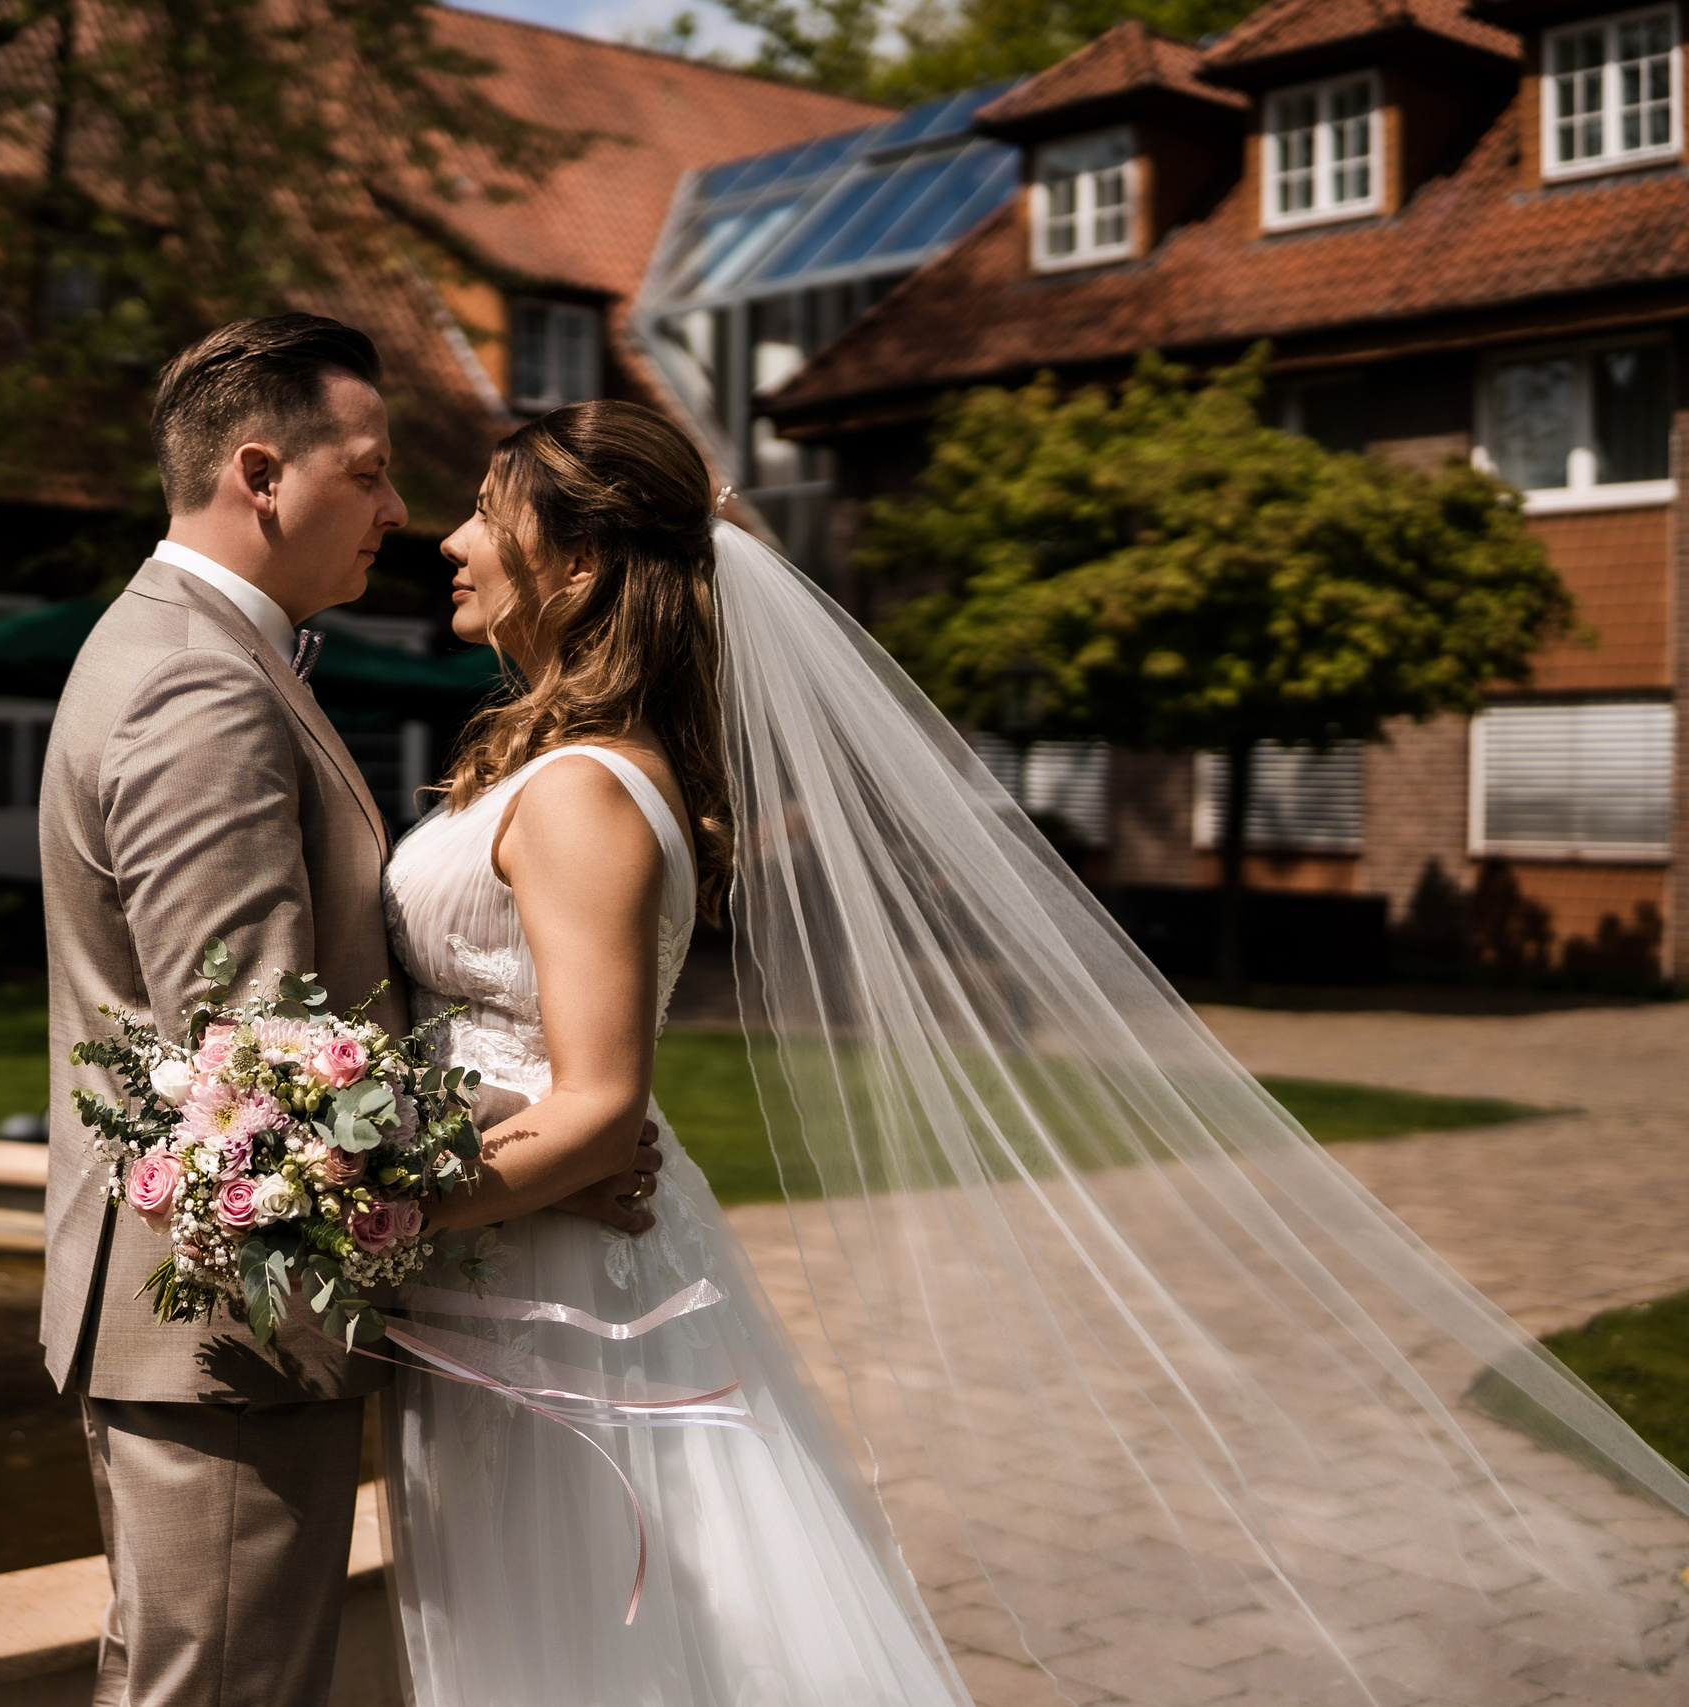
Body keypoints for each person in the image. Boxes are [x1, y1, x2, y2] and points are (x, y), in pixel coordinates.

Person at [379, 400, 1689, 1705]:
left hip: (549, 1266)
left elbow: (603, 1109)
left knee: (588, 1637)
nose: (450, 541)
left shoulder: (584, 793)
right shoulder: (549, 760)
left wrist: (372, 1213)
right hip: (516, 1239)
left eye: (485, 518)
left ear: (584, 560)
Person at [37, 316, 660, 1707]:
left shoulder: (213, 652)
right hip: (220, 1330)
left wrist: (574, 1119)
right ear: (263, 474)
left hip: (219, 1317)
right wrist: (562, 1126)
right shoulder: (200, 686)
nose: (402, 513)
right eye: (371, 474)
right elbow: (257, 1069)